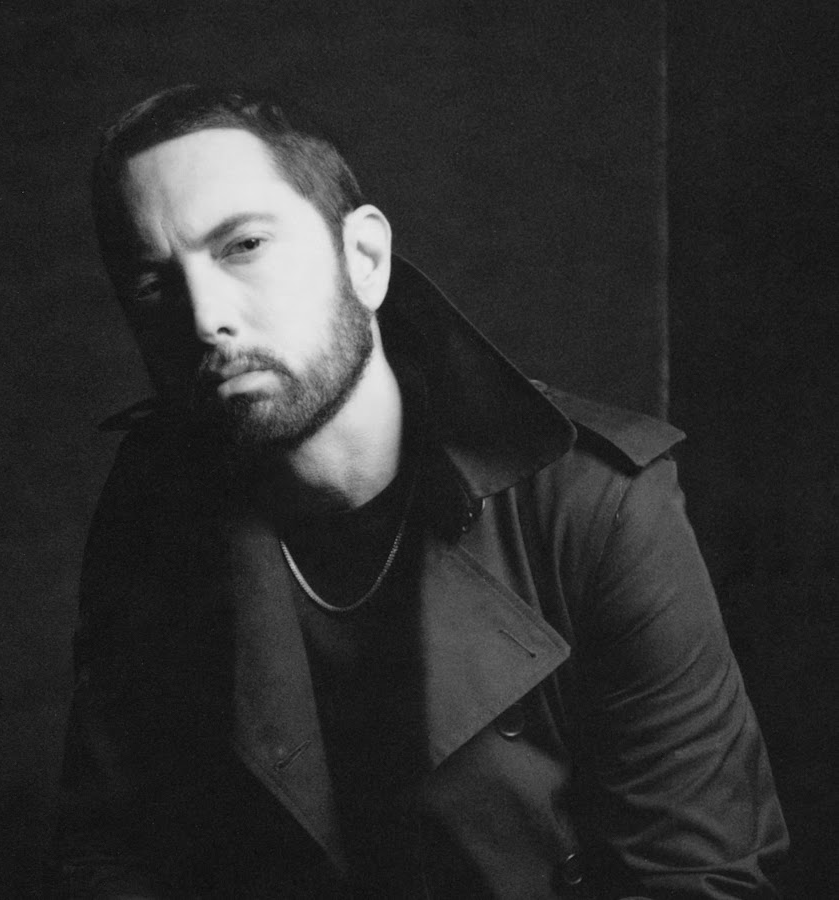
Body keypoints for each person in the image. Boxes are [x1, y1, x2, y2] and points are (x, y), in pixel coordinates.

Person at [50, 84, 788, 899]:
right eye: (154, 284)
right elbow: (112, 854)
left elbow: (697, 877)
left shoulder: (593, 503)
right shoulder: (154, 508)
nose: (205, 317)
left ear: (364, 258)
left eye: (244, 245)